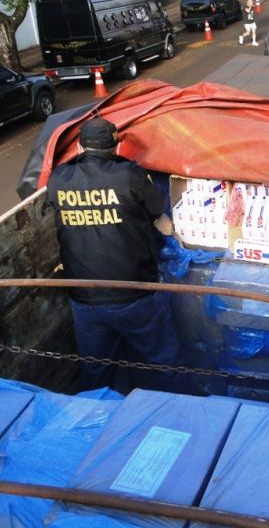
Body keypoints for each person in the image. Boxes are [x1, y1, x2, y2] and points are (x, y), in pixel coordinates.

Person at [46, 116, 185, 393]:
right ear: (115, 147)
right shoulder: (129, 175)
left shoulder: (59, 179)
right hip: (134, 294)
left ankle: (97, 420)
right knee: (161, 362)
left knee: (96, 370)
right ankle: (170, 412)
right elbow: (158, 211)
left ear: (80, 146)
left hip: (84, 297)